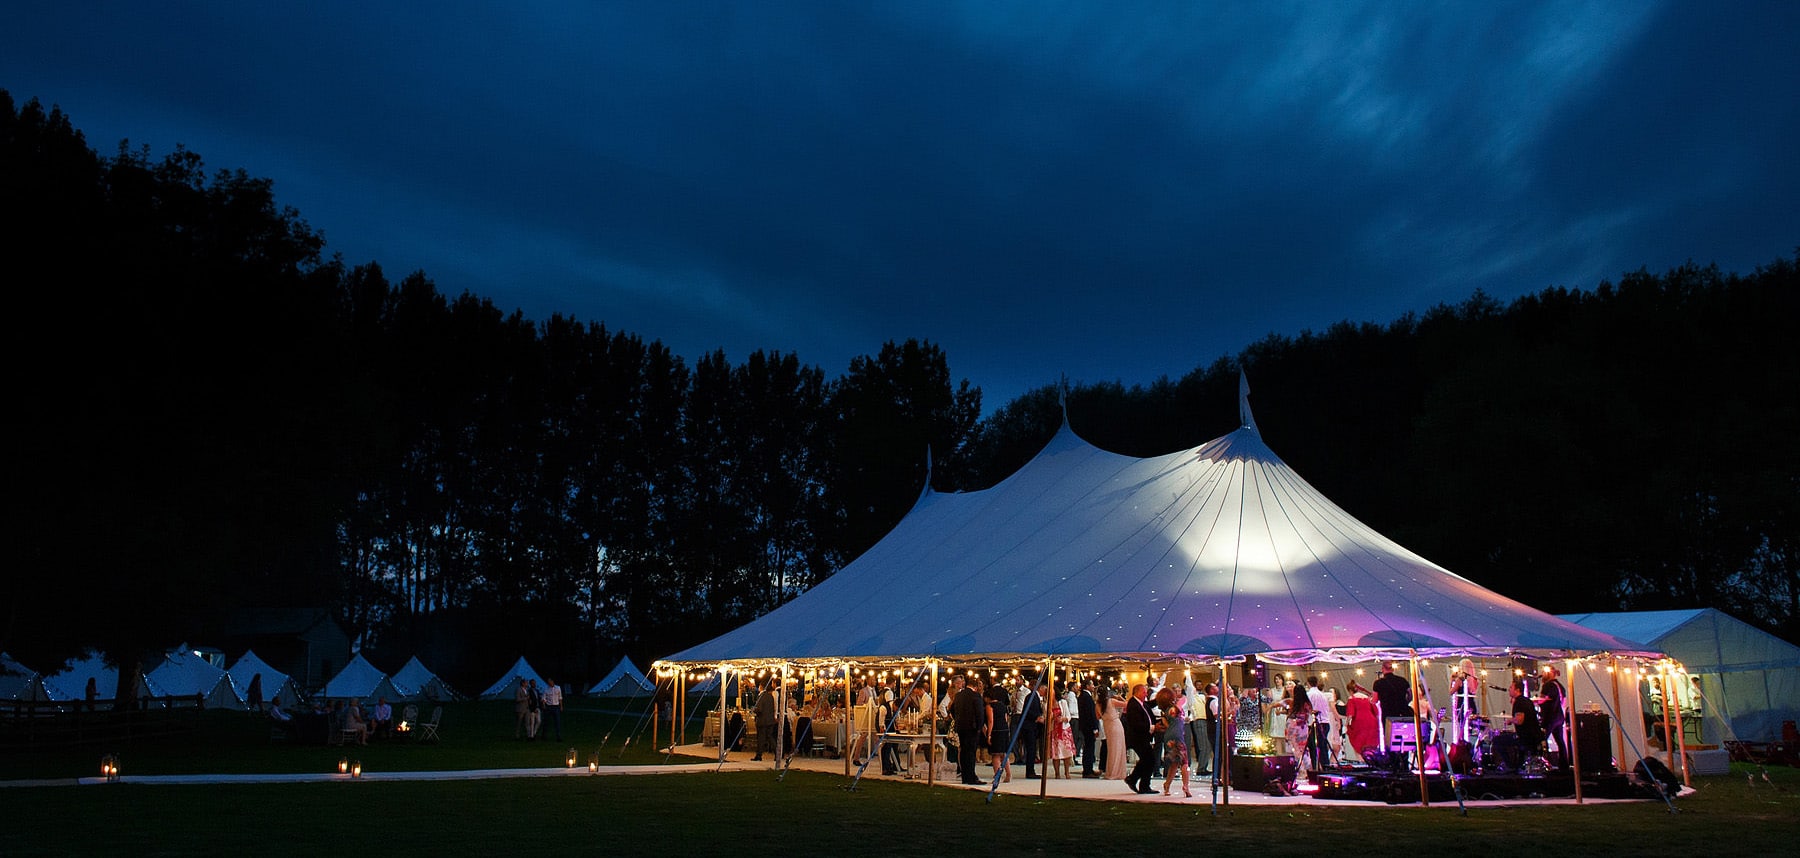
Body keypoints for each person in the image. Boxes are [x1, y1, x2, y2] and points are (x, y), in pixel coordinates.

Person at [1156, 687, 1193, 797]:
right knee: (1185, 762)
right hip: (1178, 736)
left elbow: (1168, 726)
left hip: (1169, 736)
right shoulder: (1175, 708)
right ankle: (1185, 786)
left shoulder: (1165, 712)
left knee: (1174, 762)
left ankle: (1167, 785)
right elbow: (1183, 701)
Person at [950, 675, 985, 785]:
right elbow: (980, 713)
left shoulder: (959, 695)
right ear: (975, 687)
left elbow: (951, 709)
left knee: (964, 752)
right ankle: (971, 777)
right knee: (971, 753)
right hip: (972, 728)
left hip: (961, 727)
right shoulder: (976, 696)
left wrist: (958, 719)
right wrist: (980, 727)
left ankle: (965, 776)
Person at [1123, 683, 1157, 795]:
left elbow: (1150, 704)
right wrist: (1152, 727)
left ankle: (1133, 779)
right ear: (1137, 692)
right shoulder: (1133, 704)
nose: (1146, 694)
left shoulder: (1141, 703)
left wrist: (1161, 698)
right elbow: (1136, 724)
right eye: (1144, 692)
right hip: (1137, 738)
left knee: (1147, 760)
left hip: (1143, 737)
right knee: (1150, 759)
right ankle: (1143, 785)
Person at [1371, 661, 1413, 750]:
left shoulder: (1378, 683)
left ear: (1382, 669)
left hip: (1387, 714)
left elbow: (1374, 700)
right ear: (1393, 669)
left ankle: (1392, 760)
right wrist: (1405, 702)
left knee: (1389, 738)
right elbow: (1410, 695)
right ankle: (1403, 759)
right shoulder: (1402, 681)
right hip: (1403, 713)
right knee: (1404, 737)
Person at [1535, 665, 1568, 769]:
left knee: (1542, 739)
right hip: (1559, 716)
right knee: (1560, 741)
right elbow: (1564, 701)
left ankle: (1545, 763)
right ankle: (1564, 765)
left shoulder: (1548, 685)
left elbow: (1542, 699)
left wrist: (1535, 701)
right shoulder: (1560, 686)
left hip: (1550, 717)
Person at [1507, 678, 1544, 770]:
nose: (1509, 689)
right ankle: (1519, 764)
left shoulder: (1519, 702)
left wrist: (1510, 720)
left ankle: (1511, 766)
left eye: (1511, 687)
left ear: (1517, 690)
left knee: (1498, 741)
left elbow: (1520, 720)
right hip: (1534, 736)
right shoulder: (1527, 701)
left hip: (1526, 737)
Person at [1344, 681, 1380, 761]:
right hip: (1371, 722)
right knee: (1370, 745)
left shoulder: (1352, 699)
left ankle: (1362, 762)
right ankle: (1371, 762)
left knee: (1358, 744)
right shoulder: (1367, 698)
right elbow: (1376, 712)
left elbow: (1350, 714)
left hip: (1359, 723)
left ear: (1350, 690)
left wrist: (1346, 725)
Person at [984, 676, 1012, 782]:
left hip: (996, 730)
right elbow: (1006, 718)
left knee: (995, 754)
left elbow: (991, 721)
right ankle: (1008, 774)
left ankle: (997, 776)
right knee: (1004, 753)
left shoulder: (989, 706)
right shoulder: (1002, 705)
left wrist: (989, 734)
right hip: (1004, 729)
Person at [1285, 683, 1314, 780]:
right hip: (1303, 728)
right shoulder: (1307, 703)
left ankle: (1302, 771)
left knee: (1296, 750)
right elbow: (1310, 713)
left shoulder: (1293, 703)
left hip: (1294, 727)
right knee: (1304, 750)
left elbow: (1281, 704)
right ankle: (1308, 769)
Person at [1017, 683, 1045, 779]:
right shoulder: (1032, 697)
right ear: (1040, 688)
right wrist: (1037, 717)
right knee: (1031, 749)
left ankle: (1031, 770)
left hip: (1031, 726)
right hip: (1029, 727)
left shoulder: (1034, 697)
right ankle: (1030, 771)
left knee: (1032, 749)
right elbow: (1028, 710)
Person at [1185, 680, 1213, 778]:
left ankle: (1203, 766)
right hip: (1199, 720)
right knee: (1203, 745)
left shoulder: (1202, 697)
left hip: (1205, 720)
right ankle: (1201, 768)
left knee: (1207, 745)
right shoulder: (1193, 698)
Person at [1450, 658, 1480, 745]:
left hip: (1462, 706)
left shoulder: (1460, 680)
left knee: (1463, 729)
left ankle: (1463, 748)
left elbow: (1451, 692)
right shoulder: (1474, 680)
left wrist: (1452, 680)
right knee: (1470, 729)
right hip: (1472, 705)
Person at [1305, 676, 1332, 771]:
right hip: (1325, 722)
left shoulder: (1309, 694)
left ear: (1308, 683)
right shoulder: (1323, 695)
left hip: (1315, 723)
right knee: (1323, 746)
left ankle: (1316, 767)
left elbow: (1307, 708)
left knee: (1314, 747)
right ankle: (1325, 766)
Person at [1101, 685, 1127, 779]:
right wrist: (1120, 697)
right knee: (1118, 748)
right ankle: (1116, 772)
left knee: (1111, 748)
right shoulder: (1111, 701)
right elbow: (1127, 704)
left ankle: (1111, 771)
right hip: (1115, 725)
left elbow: (1098, 717)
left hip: (1107, 725)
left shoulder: (1098, 704)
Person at [1048, 692, 1075, 778]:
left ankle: (1067, 772)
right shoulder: (1047, 704)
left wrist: (1063, 719)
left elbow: (1068, 716)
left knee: (1066, 751)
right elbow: (1047, 717)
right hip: (1054, 730)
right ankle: (1057, 773)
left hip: (1064, 729)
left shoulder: (1063, 702)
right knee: (1056, 753)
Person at [1077, 679, 1101, 778]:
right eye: (1092, 685)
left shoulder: (1082, 696)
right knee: (1089, 748)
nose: (1093, 686)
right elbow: (1091, 714)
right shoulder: (1087, 697)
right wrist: (1095, 728)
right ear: (1087, 686)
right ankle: (1087, 770)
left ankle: (1088, 769)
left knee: (1088, 747)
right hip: (1089, 726)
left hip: (1084, 725)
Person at [753, 679, 778, 762]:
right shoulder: (770, 696)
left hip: (762, 721)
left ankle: (759, 755)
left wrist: (754, 710)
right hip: (770, 720)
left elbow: (759, 709)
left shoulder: (761, 696)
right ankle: (777, 752)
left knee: (761, 738)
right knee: (770, 737)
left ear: (761, 687)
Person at [542, 678, 564, 742]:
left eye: (550, 682)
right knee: (546, 722)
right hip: (549, 707)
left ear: (552, 681)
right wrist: (544, 705)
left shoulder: (558, 688)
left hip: (556, 706)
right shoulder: (546, 689)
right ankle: (544, 735)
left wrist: (561, 706)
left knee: (557, 722)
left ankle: (558, 736)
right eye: (548, 682)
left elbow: (560, 697)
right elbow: (544, 698)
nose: (549, 683)